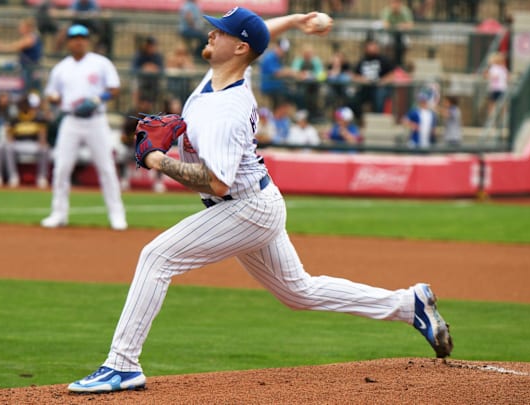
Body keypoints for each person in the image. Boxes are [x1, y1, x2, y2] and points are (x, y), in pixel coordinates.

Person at [65, 7, 452, 394]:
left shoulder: (227, 111)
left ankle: (122, 364)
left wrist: (157, 160)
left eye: (221, 32)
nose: (212, 34)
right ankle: (407, 305)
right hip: (255, 202)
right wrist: (297, 19)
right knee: (299, 292)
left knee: (156, 256)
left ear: (239, 48)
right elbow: (258, 33)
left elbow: (217, 182)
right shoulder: (223, 74)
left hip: (245, 208)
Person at [41, 24, 127, 230]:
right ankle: (58, 214)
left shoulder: (100, 63)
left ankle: (117, 215)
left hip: (96, 119)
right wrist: (54, 99)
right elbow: (52, 93)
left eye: (82, 37)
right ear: (69, 42)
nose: (79, 41)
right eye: (74, 37)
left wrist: (98, 99)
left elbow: (114, 88)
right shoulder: (62, 67)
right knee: (62, 168)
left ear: (87, 40)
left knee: (106, 168)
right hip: (70, 119)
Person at [4, 94, 50, 188]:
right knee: (8, 147)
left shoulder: (38, 118)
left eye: (25, 105)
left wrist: (42, 142)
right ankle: (13, 177)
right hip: (19, 144)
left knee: (45, 148)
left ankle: (42, 177)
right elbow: (9, 136)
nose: (24, 107)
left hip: (33, 144)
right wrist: (10, 140)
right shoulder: (14, 119)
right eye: (22, 105)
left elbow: (42, 134)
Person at [0, 18, 44, 93]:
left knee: (28, 90)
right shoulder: (30, 37)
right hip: (27, 68)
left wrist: (1, 47)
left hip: (30, 69)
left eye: (22, 27)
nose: (19, 29)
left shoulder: (30, 38)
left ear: (28, 28)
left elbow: (15, 46)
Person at [351, 39, 395, 119]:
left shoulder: (383, 60)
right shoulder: (362, 61)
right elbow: (354, 75)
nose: (371, 48)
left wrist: (382, 81)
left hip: (379, 88)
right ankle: (360, 120)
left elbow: (392, 75)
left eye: (373, 46)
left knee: (379, 96)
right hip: (365, 88)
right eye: (369, 46)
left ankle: (378, 119)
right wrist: (362, 80)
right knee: (353, 100)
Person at [290, 44, 325, 121]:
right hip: (301, 87)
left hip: (314, 87)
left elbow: (321, 74)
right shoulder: (298, 61)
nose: (308, 56)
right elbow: (294, 72)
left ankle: (312, 116)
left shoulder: (316, 61)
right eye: (306, 54)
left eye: (309, 54)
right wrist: (300, 75)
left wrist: (313, 75)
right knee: (300, 97)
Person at [258, 37, 295, 109]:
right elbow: (276, 73)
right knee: (290, 95)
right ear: (277, 47)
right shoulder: (270, 57)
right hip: (270, 87)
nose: (283, 53)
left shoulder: (277, 58)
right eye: (282, 50)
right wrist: (289, 72)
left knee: (293, 93)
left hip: (277, 87)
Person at [131, 36, 164, 108]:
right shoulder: (139, 54)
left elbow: (162, 69)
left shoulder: (157, 56)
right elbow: (133, 69)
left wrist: (154, 68)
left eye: (153, 45)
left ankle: (154, 108)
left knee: (160, 88)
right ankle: (137, 108)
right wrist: (144, 68)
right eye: (150, 45)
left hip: (153, 82)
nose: (151, 47)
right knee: (135, 85)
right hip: (141, 81)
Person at [380, 0, 414, 68]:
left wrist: (401, 26)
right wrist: (395, 27)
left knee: (407, 42)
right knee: (385, 42)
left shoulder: (405, 11)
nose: (395, 5)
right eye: (394, 2)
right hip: (389, 34)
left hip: (402, 34)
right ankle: (387, 60)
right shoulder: (387, 10)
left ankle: (402, 61)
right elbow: (385, 25)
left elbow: (410, 25)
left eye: (397, 2)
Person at [484, 52, 508, 120]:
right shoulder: (504, 69)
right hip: (502, 88)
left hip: (494, 88)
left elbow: (493, 77)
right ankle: (504, 118)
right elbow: (507, 78)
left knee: (492, 103)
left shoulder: (494, 68)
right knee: (503, 104)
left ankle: (491, 118)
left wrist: (487, 75)